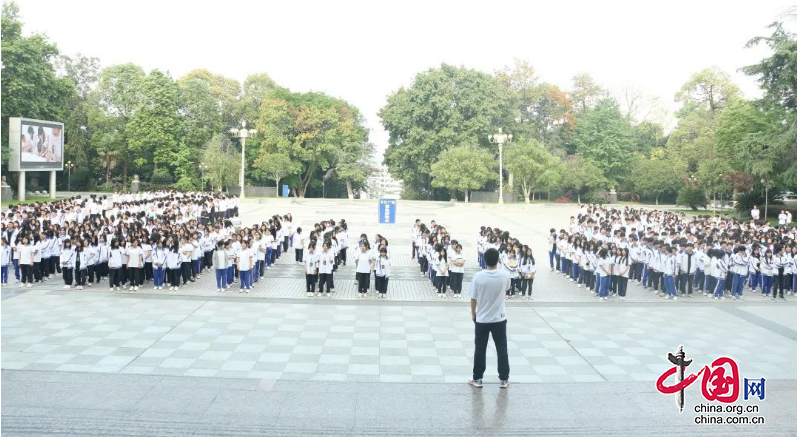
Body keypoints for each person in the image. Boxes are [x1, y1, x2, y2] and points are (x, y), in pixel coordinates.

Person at [468, 248, 510, 389]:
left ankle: (478, 379)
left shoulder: (478, 277)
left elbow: (473, 298)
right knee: (501, 348)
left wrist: (473, 313)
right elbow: (507, 289)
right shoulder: (505, 275)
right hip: (500, 318)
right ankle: (504, 379)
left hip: (482, 319)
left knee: (480, 348)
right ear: (498, 260)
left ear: (484, 260)